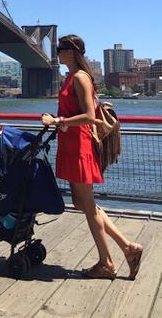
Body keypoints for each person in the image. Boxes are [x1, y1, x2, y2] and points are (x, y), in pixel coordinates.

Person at [41, 34, 143, 280]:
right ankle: (128, 248)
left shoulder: (80, 78)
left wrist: (58, 121)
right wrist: (60, 121)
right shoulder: (69, 77)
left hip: (79, 147)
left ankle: (106, 263)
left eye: (61, 48)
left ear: (73, 52)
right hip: (70, 144)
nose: (57, 52)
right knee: (82, 203)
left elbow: (89, 116)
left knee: (87, 206)